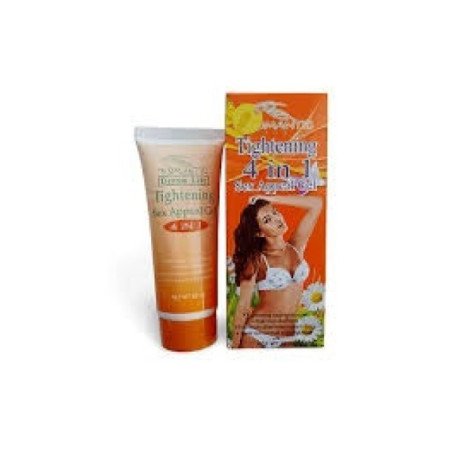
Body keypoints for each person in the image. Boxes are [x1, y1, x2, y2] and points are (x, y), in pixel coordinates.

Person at [231, 195, 322, 348]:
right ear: (259, 233)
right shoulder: (256, 260)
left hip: (288, 336)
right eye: (267, 220)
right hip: (257, 335)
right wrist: (234, 346)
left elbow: (316, 204)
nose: (276, 219)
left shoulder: (295, 247)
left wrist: (268, 197)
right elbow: (244, 306)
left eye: (275, 212)